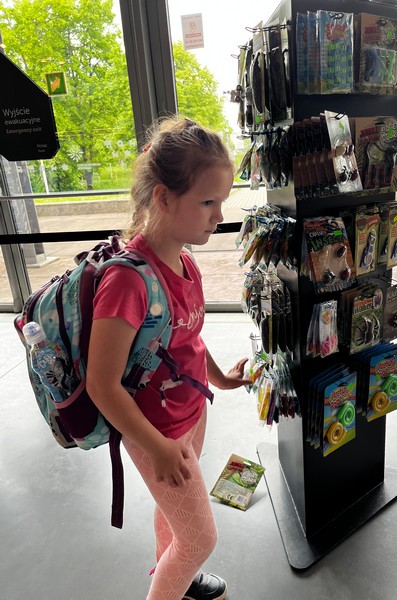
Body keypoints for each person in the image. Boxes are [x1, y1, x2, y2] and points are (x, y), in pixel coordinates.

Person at [86, 117, 251, 600]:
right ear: (163, 197)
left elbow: (186, 338)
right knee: (200, 540)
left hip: (189, 412)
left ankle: (178, 575)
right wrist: (156, 446)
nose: (218, 216)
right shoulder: (127, 281)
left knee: (174, 512)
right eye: (207, 202)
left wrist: (218, 379)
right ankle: (172, 580)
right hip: (153, 429)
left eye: (221, 202)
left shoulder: (184, 259)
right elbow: (101, 384)